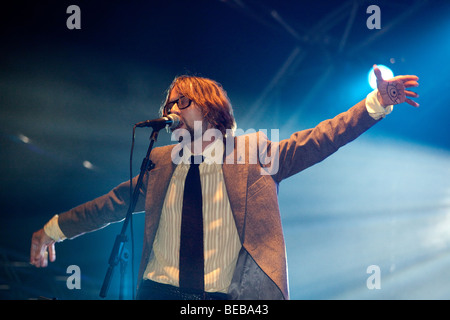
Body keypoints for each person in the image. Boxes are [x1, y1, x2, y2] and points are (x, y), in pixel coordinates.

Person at [30, 65, 419, 300]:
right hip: (157, 291)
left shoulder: (255, 152)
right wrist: (52, 230)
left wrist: (375, 103)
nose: (171, 111)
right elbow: (110, 205)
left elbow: (319, 140)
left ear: (210, 108)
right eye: (167, 105)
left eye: (181, 102)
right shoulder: (160, 161)